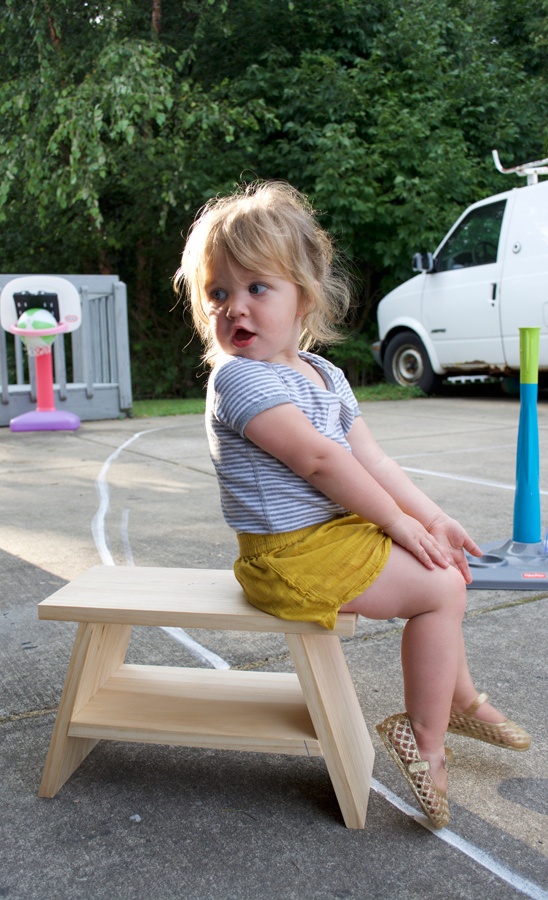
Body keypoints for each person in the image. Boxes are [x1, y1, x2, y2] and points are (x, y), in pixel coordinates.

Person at [174, 181, 530, 829]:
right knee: (439, 588)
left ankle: (459, 703)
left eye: (257, 288)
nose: (235, 308)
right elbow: (320, 461)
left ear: (303, 295)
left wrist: (430, 518)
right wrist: (396, 523)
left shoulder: (323, 374)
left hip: (332, 536)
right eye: (217, 293)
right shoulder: (238, 378)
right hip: (288, 557)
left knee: (447, 568)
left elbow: (374, 461)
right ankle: (425, 740)